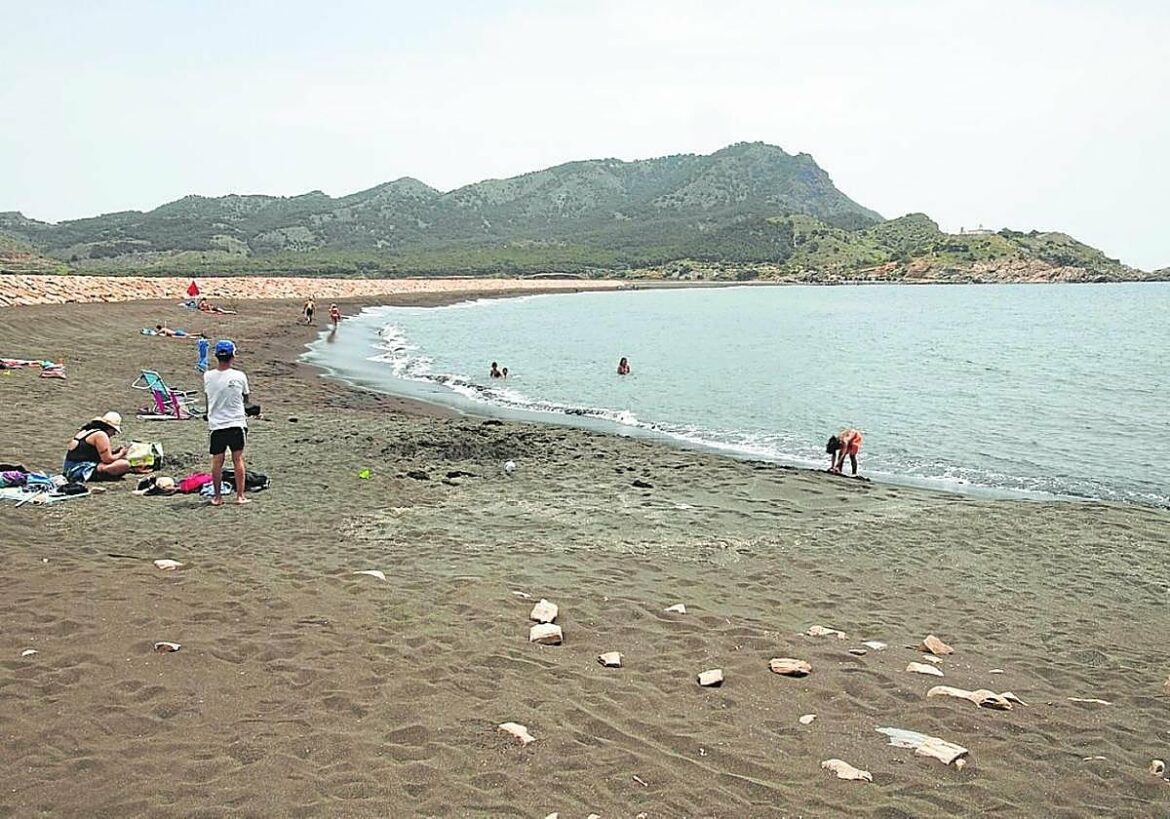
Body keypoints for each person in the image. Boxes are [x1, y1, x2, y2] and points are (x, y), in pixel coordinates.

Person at [204, 340, 252, 506]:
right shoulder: (239, 376)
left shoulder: (208, 376)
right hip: (236, 423)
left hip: (217, 424)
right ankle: (240, 496)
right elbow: (246, 397)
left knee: (217, 461)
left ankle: (217, 497)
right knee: (237, 459)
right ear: (233, 356)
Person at [62, 411, 131, 482]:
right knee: (124, 464)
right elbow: (107, 459)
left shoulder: (87, 431)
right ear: (109, 428)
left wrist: (115, 452)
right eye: (114, 431)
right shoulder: (100, 435)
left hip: (70, 468)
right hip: (80, 469)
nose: (114, 434)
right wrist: (121, 453)